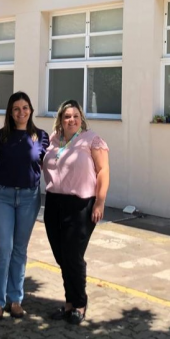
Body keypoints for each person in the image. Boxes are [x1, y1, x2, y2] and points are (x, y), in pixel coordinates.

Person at [42, 100, 110, 325]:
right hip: (54, 202)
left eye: (75, 116)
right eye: (67, 116)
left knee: (73, 255)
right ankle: (69, 303)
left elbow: (103, 171)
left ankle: (80, 303)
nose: (71, 120)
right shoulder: (53, 140)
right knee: (61, 256)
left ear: (81, 119)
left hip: (80, 204)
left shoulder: (92, 140)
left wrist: (99, 202)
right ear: (60, 120)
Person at [0, 92, 49, 321]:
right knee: (4, 247)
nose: (21, 112)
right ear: (10, 112)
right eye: (16, 108)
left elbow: (46, 164)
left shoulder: (41, 136)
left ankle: (15, 299)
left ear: (30, 110)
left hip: (28, 198)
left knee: (20, 250)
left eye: (25, 108)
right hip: (2, 196)